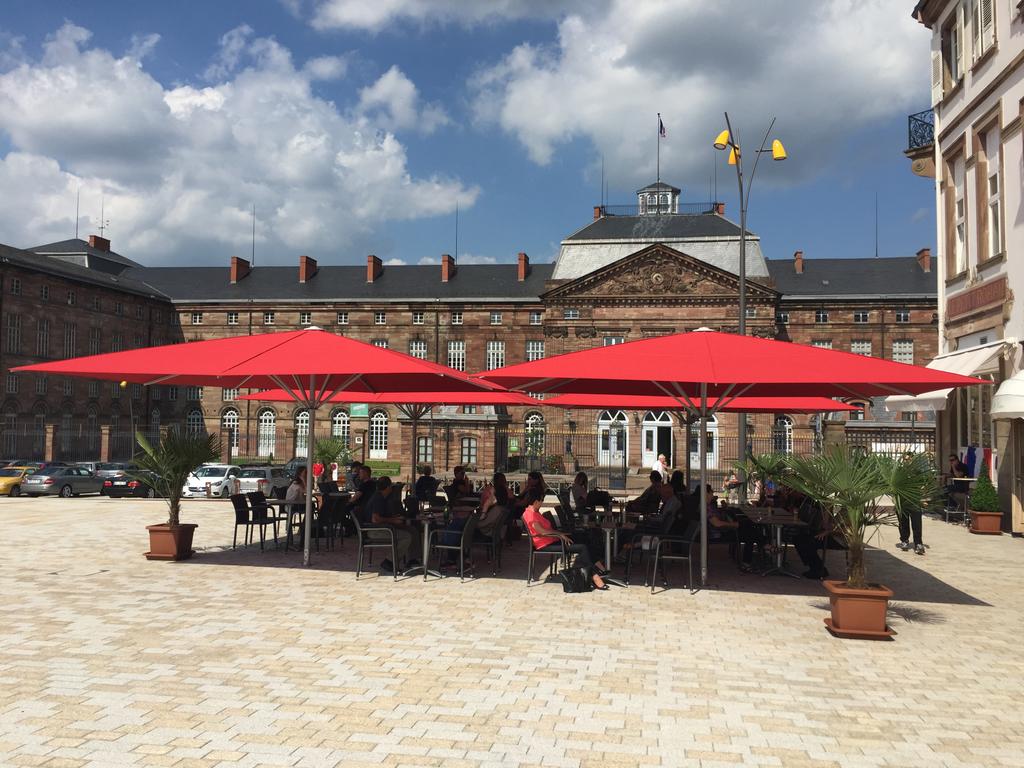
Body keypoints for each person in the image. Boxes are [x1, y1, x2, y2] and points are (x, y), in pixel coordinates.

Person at [521, 490, 607, 590]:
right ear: (536, 501)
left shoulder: (535, 512)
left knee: (583, 537)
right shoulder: (530, 514)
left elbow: (547, 530)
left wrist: (561, 534)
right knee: (582, 547)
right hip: (545, 544)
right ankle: (594, 576)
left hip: (552, 539)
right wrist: (560, 534)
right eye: (541, 501)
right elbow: (542, 532)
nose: (542, 503)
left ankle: (599, 567)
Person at [362, 476, 420, 573]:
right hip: (374, 530)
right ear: (388, 487)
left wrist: (395, 518)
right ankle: (389, 562)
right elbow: (375, 519)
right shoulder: (378, 498)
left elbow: (382, 516)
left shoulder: (383, 497)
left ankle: (413, 559)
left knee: (412, 530)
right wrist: (393, 520)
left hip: (382, 527)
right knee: (406, 536)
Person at [792, 495, 839, 579]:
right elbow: (824, 524)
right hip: (826, 533)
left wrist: (826, 532)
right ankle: (815, 567)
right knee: (799, 538)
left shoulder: (842, 509)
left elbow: (840, 528)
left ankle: (818, 569)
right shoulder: (826, 505)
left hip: (836, 538)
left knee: (807, 543)